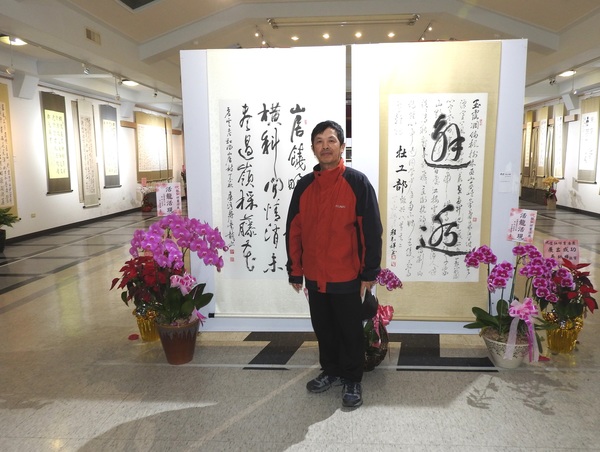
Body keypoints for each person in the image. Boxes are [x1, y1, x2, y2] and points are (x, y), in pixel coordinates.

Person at [285, 120, 383, 408]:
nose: (325, 146)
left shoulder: (357, 183)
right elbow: (294, 230)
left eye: (331, 140)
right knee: (323, 328)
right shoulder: (304, 186)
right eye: (319, 141)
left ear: (342, 146)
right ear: (313, 148)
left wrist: (369, 272)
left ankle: (352, 378)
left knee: (350, 330)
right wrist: (295, 270)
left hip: (347, 275)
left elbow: (371, 231)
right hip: (316, 276)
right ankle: (330, 371)